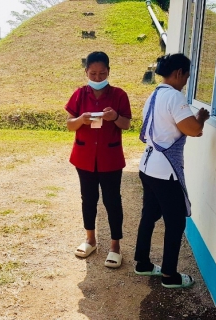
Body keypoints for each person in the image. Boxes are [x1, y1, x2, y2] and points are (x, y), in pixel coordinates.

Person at [133, 53, 210, 288]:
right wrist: (201, 117)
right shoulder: (175, 97)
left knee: (149, 215)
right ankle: (169, 276)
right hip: (165, 172)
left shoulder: (154, 95)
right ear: (178, 73)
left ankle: (143, 263)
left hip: (147, 166)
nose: (186, 80)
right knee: (176, 223)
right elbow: (193, 130)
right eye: (186, 75)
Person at [65, 51, 132, 268]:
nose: (97, 78)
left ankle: (115, 247)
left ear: (109, 72)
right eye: (92, 73)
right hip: (84, 158)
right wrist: (80, 120)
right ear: (86, 72)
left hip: (110, 158)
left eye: (102, 73)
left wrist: (115, 118)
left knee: (113, 201)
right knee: (88, 199)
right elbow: (69, 124)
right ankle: (90, 240)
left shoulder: (119, 95)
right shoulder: (79, 94)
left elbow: (126, 124)